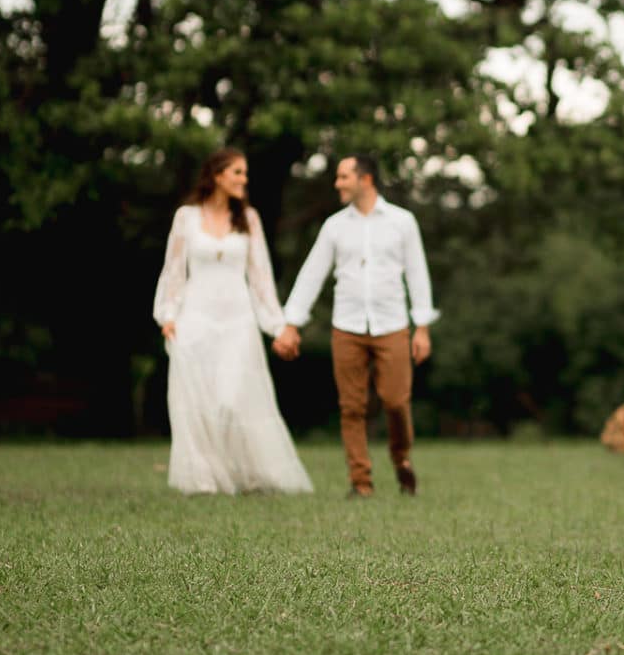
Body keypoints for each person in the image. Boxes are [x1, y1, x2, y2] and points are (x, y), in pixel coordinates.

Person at [152, 148, 314, 495]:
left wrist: (277, 324)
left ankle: (246, 473)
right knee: (198, 400)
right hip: (195, 317)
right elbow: (174, 269)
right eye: (237, 172)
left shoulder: (249, 219)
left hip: (238, 320)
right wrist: (168, 314)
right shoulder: (186, 217)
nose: (244, 179)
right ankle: (205, 478)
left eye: (245, 173)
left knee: (230, 398)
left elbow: (260, 277)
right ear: (216, 175)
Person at [276, 155, 437, 499]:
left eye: (343, 177)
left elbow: (417, 273)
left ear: (365, 180)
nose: (337, 184)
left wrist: (421, 326)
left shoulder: (402, 222)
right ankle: (360, 482)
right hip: (346, 326)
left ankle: (401, 459)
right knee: (351, 407)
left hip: (392, 324)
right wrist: (291, 323)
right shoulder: (335, 226)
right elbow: (312, 273)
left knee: (396, 401)